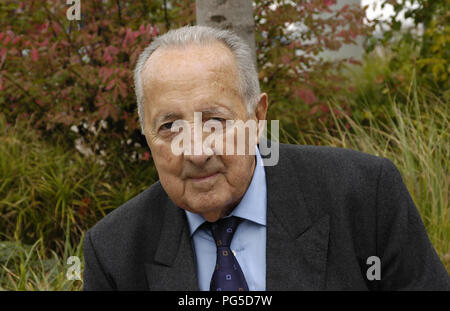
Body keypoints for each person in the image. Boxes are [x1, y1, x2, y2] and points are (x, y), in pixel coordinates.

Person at [83, 25, 449, 291]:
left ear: (258, 119)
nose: (195, 151)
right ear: (146, 135)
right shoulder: (114, 251)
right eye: (169, 126)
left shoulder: (363, 196)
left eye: (215, 121)